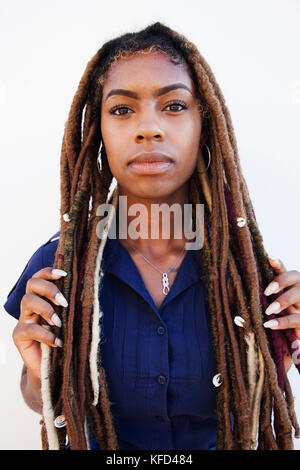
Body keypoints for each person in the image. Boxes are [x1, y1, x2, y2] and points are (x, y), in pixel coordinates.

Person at [3, 22, 300, 451]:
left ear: (205, 123)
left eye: (174, 105)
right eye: (122, 110)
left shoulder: (248, 273)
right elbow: (37, 400)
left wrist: (276, 360)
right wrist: (39, 372)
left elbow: (258, 402)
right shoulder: (58, 267)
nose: (148, 128)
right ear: (97, 131)